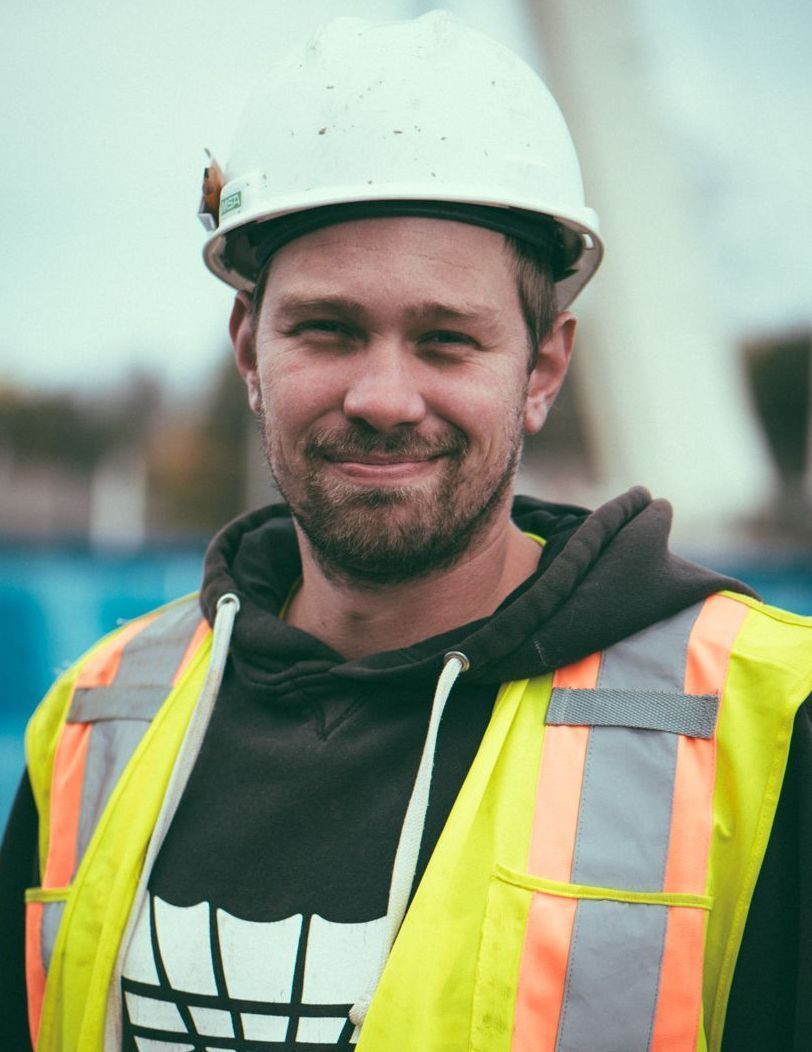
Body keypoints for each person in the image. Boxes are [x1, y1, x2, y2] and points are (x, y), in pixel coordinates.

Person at [1, 11, 811, 1051]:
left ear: (543, 368)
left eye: (444, 339)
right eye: (328, 329)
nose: (382, 395)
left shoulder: (768, 726)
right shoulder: (92, 722)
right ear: (250, 347)